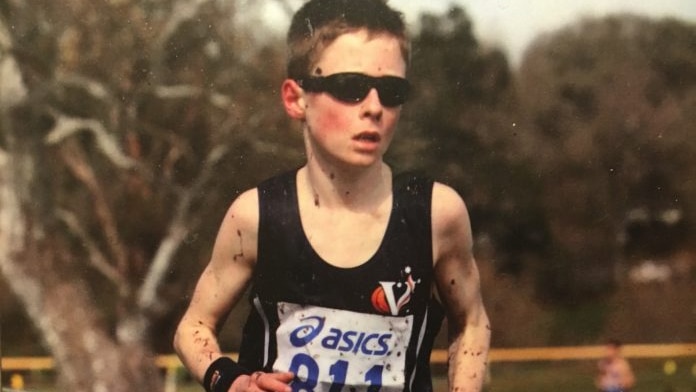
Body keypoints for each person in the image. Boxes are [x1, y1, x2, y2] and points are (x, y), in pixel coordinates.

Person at [173, 0, 490, 391]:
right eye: (350, 88)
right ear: (295, 98)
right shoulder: (257, 216)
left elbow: (473, 323)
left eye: (391, 91)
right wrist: (231, 381)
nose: (374, 108)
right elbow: (193, 327)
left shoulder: (435, 214)